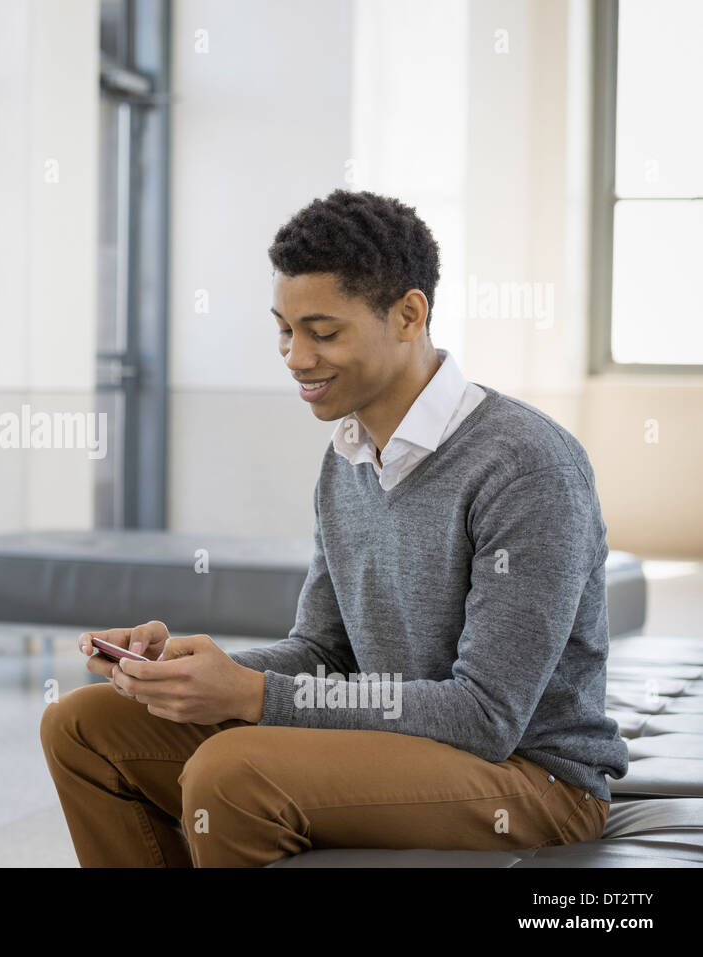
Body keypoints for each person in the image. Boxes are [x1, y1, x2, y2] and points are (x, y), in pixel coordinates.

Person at [39, 189, 629, 867]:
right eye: (284, 330)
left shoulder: (526, 464)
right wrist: (197, 672)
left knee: (233, 772)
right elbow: (324, 652)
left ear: (409, 314)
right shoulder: (345, 458)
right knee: (83, 723)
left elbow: (484, 715)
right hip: (408, 746)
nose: (294, 356)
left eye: (323, 332)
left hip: (533, 780)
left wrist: (254, 696)